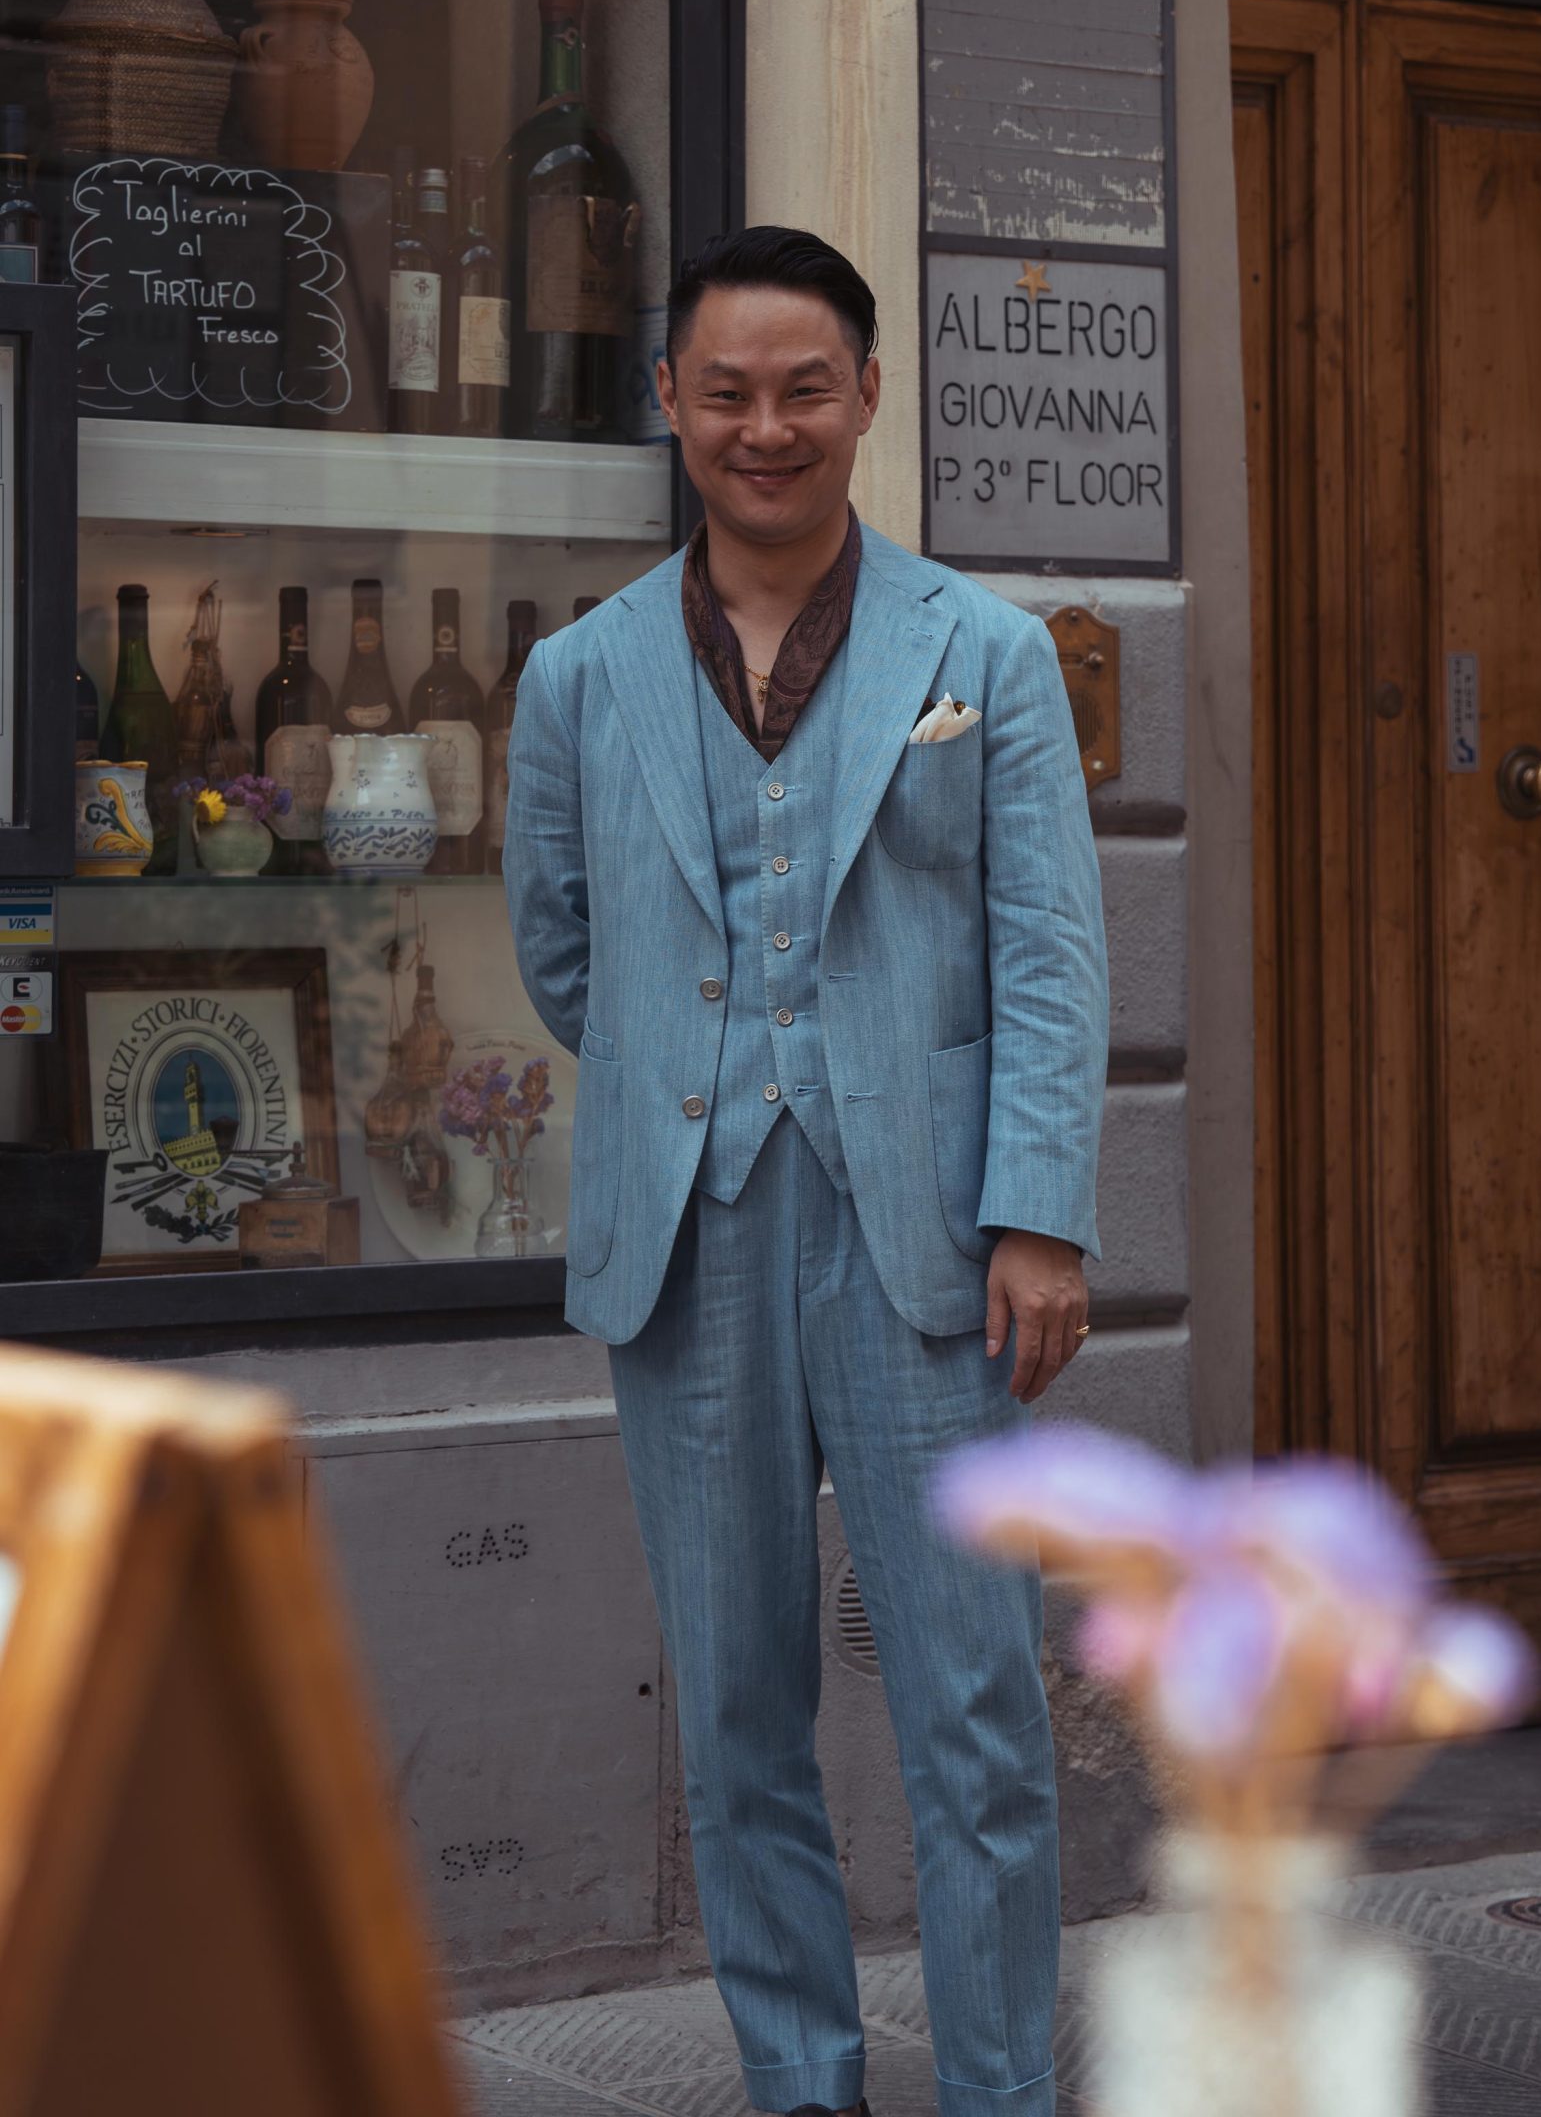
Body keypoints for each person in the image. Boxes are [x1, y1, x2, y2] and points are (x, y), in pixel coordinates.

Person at [505, 225, 1108, 2117]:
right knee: (743, 1717)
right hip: (686, 1244)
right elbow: (563, 944)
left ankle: (1004, 2089)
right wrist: (703, 1078)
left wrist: (1037, 1213)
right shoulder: (580, 677)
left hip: (932, 1242)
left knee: (981, 1715)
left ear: (864, 400)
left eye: (804, 389)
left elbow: (1050, 950)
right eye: (727, 392)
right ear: (673, 405)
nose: (765, 427)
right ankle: (802, 2086)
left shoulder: (982, 653)